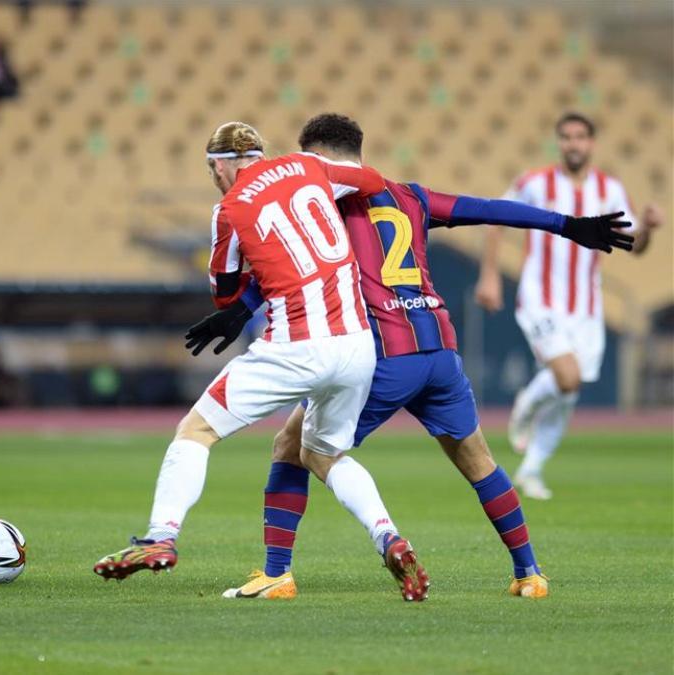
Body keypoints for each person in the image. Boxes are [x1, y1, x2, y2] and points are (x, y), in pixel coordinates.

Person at [187, 113, 634, 600]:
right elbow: (489, 209)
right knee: (479, 462)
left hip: (381, 356)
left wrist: (242, 307)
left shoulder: (319, 203)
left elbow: (295, 271)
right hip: (439, 351)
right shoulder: (412, 196)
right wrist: (568, 226)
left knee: (293, 448)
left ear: (315, 158)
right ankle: (529, 573)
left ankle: (278, 573)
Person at [93, 122, 427, 601]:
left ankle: (160, 536)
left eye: (213, 167)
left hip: (295, 344)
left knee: (196, 431)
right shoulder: (310, 166)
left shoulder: (230, 209)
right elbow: (372, 181)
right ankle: (389, 537)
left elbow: (225, 292)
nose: (214, 176)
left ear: (226, 163)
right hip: (356, 345)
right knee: (324, 454)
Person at [474, 112, 662, 500]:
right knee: (567, 378)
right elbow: (495, 218)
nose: (573, 143)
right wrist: (489, 275)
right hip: (541, 299)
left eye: (580, 137)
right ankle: (526, 404)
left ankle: (532, 470)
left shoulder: (609, 189)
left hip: (587, 308)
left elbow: (634, 247)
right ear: (558, 142)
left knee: (568, 393)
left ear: (591, 143)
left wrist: (647, 230)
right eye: (566, 137)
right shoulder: (534, 182)